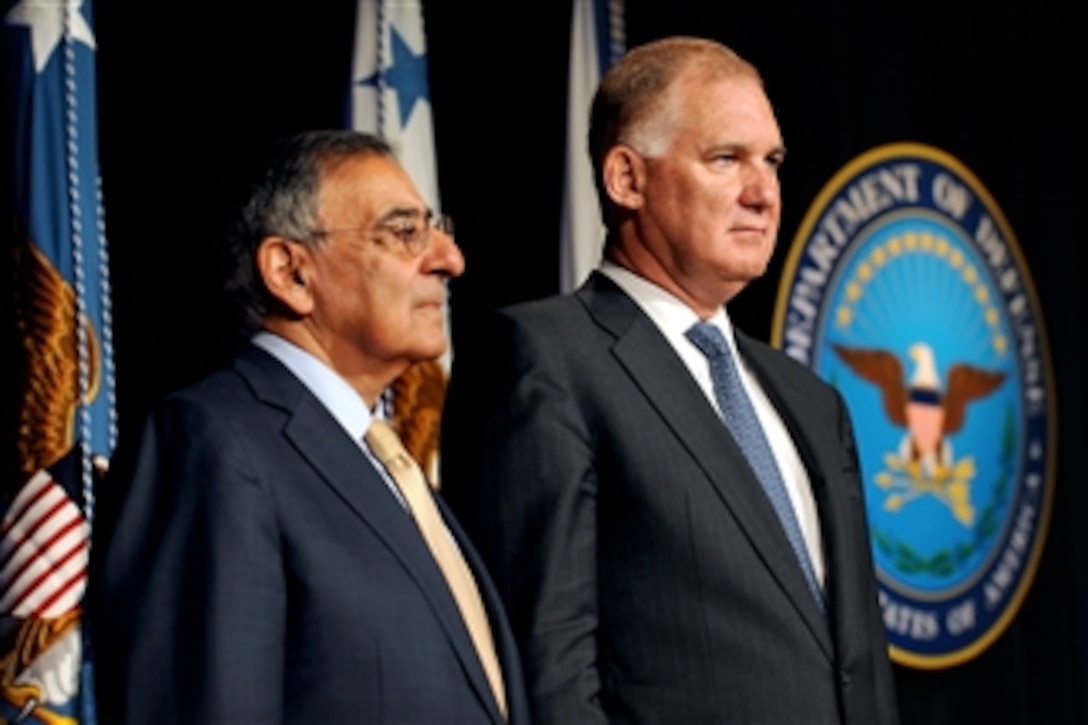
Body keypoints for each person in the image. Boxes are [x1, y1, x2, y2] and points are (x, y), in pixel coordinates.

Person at [440, 37, 899, 723]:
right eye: (726, 158)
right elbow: (547, 664)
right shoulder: (545, 357)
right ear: (627, 178)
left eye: (771, 161)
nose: (762, 192)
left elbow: (854, 664)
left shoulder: (811, 400)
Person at [90, 130, 528, 723]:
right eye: (404, 233)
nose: (451, 260)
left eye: (437, 230)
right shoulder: (213, 442)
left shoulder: (387, 462)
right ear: (290, 272)